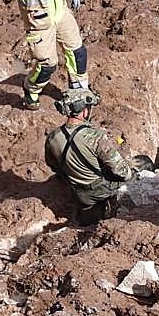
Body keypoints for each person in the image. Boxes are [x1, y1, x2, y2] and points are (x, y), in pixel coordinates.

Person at [7, 0, 89, 110]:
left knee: (77, 52)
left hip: (61, 13)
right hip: (40, 24)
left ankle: (79, 89)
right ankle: (31, 90)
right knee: (47, 65)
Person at [44, 88, 137, 226]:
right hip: (99, 191)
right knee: (141, 168)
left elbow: (53, 165)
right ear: (84, 110)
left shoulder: (52, 137)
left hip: (79, 193)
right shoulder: (95, 137)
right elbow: (123, 173)